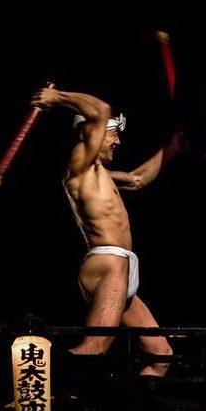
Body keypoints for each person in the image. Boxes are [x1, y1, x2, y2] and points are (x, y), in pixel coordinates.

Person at [31, 87, 173, 376]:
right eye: (112, 134)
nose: (117, 141)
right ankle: (32, 385)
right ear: (91, 132)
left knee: (161, 354)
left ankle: (139, 401)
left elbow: (137, 179)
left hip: (122, 266)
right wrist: (57, 98)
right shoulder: (79, 165)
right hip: (107, 266)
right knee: (94, 349)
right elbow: (102, 110)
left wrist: (172, 147)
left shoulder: (101, 175)